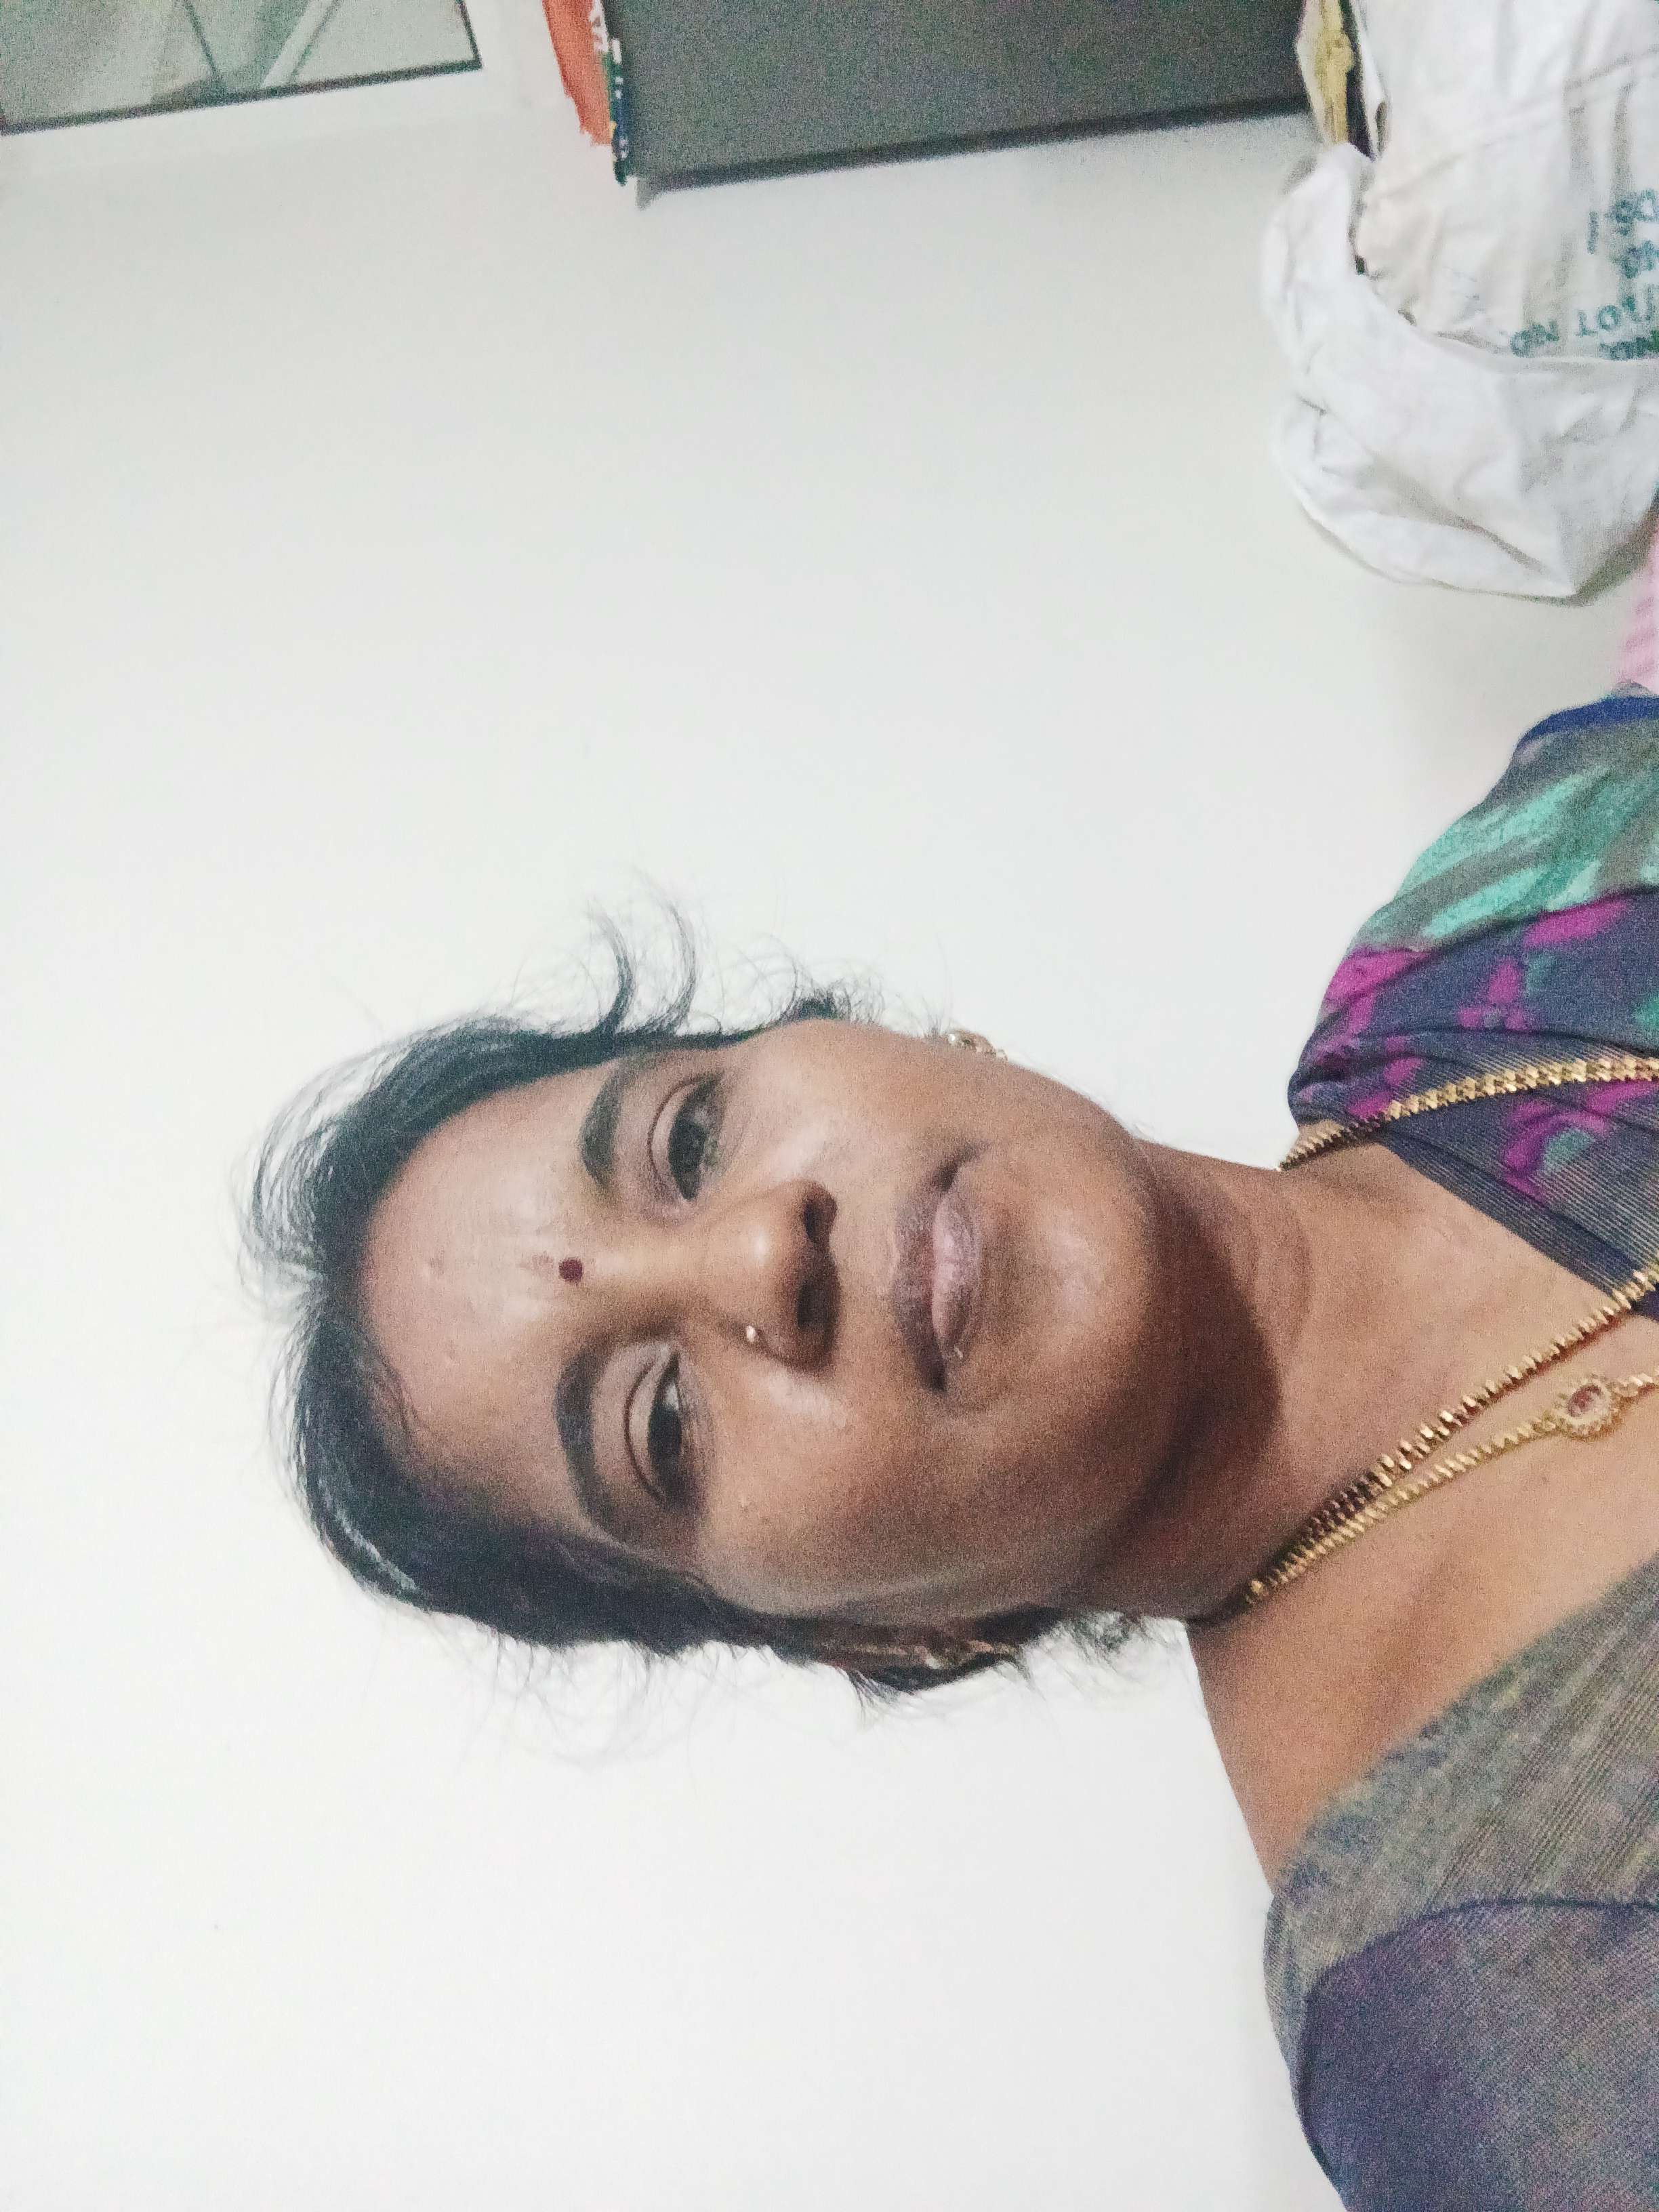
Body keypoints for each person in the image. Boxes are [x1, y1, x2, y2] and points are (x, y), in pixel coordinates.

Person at [248, 622, 1659, 2206]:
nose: (763, 1254)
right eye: (663, 1428)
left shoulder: (1520, 922)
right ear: (883, 1635)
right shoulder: (1509, 2017)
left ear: (900, 1041)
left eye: (690, 1139)